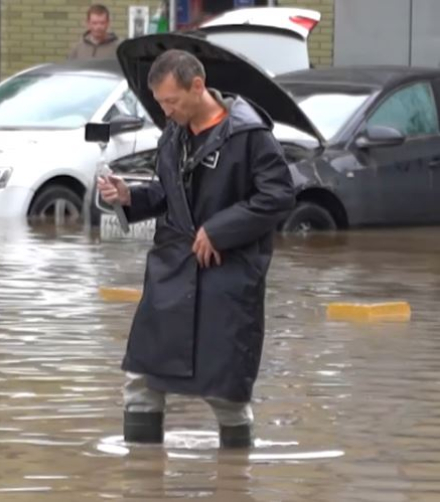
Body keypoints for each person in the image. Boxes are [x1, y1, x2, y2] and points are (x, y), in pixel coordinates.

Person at [98, 49, 295, 449]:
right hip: (170, 272)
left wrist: (220, 230)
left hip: (225, 276)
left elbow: (278, 196)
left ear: (198, 86)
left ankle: (235, 481)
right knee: (141, 381)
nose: (166, 111)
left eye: (172, 101)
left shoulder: (250, 135)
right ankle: (142, 480)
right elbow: (167, 194)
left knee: (225, 393)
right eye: (160, 103)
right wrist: (128, 197)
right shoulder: (174, 132)